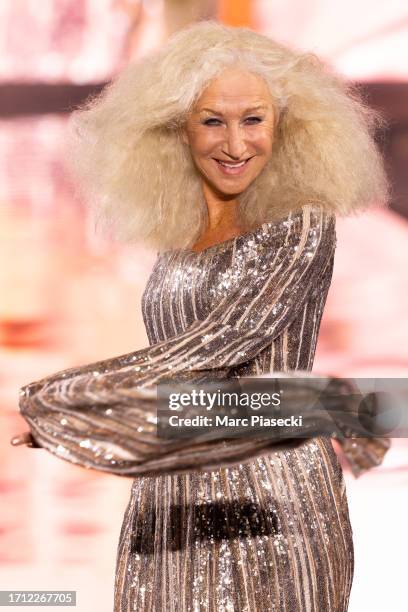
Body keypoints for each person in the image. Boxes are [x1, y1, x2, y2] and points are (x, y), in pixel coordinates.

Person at [11, 21, 391, 611]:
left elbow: (221, 344)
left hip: (271, 493)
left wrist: (75, 398)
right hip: (173, 485)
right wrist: (89, 411)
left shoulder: (300, 222)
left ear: (286, 126)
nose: (236, 145)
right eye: (213, 120)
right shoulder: (179, 237)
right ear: (176, 131)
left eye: (254, 120)